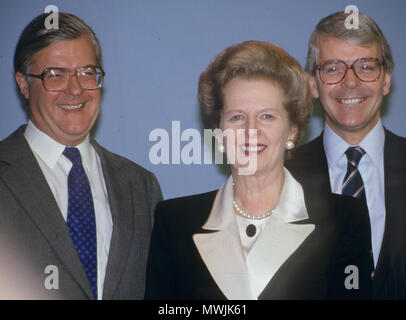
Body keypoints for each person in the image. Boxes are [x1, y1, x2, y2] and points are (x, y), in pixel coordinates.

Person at [145, 40, 372, 300]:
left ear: (292, 131)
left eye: (267, 116)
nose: (251, 131)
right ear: (218, 134)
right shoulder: (174, 222)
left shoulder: (344, 219)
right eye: (237, 117)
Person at [0, 12, 162, 299]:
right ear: (23, 84)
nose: (75, 89)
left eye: (87, 72)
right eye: (55, 75)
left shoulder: (141, 186)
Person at [286, 11, 406, 299]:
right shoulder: (280, 177)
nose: (350, 82)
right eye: (332, 68)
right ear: (312, 84)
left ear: (386, 80)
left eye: (365, 66)